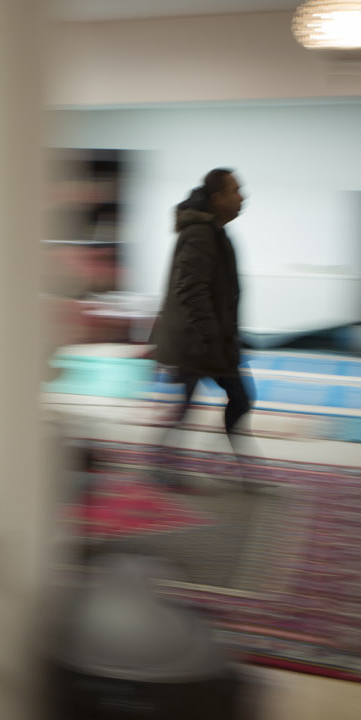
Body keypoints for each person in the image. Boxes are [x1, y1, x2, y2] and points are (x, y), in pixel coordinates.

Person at [147, 168, 263, 490]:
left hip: (206, 340)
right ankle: (168, 466)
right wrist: (212, 335)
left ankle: (173, 465)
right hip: (196, 342)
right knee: (236, 398)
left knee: (226, 400)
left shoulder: (212, 231)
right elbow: (191, 289)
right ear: (217, 197)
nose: (242, 197)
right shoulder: (200, 233)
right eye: (235, 190)